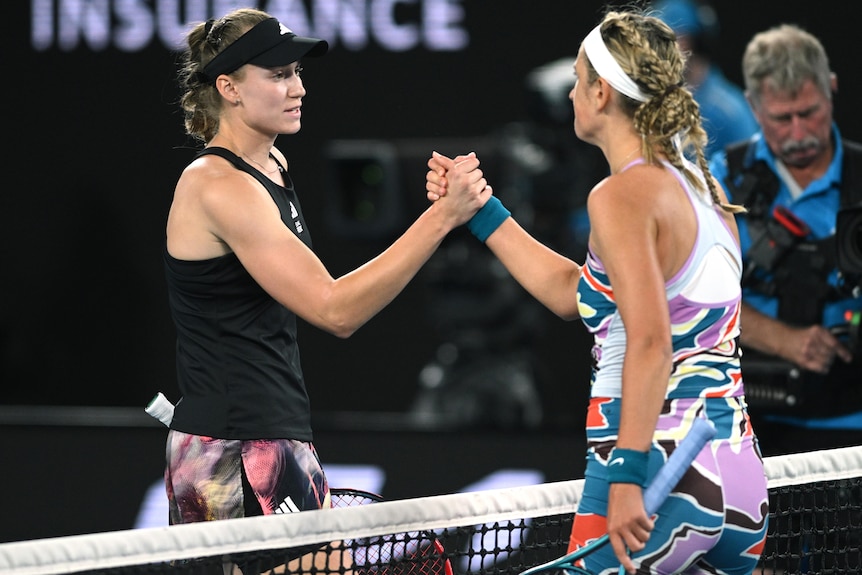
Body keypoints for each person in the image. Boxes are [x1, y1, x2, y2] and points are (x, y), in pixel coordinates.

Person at [427, 8, 768, 575]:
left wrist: (629, 475)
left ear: (603, 93)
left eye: (579, 81)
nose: (570, 97)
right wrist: (481, 212)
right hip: (737, 480)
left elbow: (652, 341)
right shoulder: (704, 194)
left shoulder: (619, 196)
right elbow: (574, 295)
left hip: (658, 471)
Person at [162, 6, 489, 535]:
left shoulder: (272, 166)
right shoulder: (218, 185)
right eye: (278, 75)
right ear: (229, 87)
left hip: (269, 434)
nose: (298, 89)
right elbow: (336, 309)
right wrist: (442, 218)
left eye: (296, 73)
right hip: (237, 445)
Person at [709, 24, 862, 457]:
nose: (799, 133)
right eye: (782, 118)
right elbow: (691, 297)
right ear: (752, 106)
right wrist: (783, 340)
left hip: (851, 426)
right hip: (747, 423)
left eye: (809, 112)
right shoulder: (719, 180)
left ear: (832, 89)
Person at [650, 0, 758, 157]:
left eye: (676, 38)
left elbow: (751, 170)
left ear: (696, 42)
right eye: (658, 39)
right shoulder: (648, 103)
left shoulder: (729, 110)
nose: (662, 49)